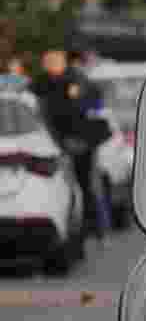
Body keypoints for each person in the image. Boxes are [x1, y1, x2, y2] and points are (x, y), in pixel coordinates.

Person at [29, 49, 111, 245]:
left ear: (63, 62)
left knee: (87, 185)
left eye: (54, 61)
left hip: (80, 141)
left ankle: (97, 229)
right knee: (67, 187)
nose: (51, 65)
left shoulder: (76, 79)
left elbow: (88, 105)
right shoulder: (41, 83)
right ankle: (79, 228)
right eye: (48, 61)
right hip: (55, 142)